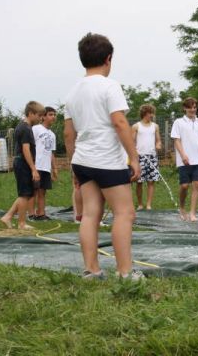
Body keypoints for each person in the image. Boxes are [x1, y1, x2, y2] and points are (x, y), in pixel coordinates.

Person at [64, 32, 142, 280]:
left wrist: (73, 166)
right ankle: (125, 272)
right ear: (108, 58)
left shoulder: (72, 92)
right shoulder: (110, 86)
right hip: (107, 160)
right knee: (124, 213)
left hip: (83, 161)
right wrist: (134, 158)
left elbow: (68, 134)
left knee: (89, 214)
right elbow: (119, 122)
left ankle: (92, 270)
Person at [0, 101, 45, 230]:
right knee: (24, 194)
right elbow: (26, 149)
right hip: (23, 163)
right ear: (31, 113)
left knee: (26, 193)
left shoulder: (24, 127)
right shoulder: (25, 128)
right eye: (39, 115)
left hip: (22, 163)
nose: (41, 118)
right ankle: (21, 223)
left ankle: (8, 216)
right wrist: (33, 169)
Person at [170, 97, 198, 222]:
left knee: (196, 184)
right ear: (185, 108)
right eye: (190, 107)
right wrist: (183, 155)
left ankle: (193, 213)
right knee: (184, 186)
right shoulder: (178, 122)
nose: (193, 109)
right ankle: (182, 208)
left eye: (194, 107)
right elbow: (176, 140)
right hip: (184, 160)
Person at [29, 106, 58, 220]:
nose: (53, 117)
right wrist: (32, 166)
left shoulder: (52, 134)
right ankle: (31, 215)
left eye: (54, 115)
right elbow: (29, 146)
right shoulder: (36, 129)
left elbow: (51, 152)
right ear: (43, 116)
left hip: (46, 167)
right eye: (50, 114)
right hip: (36, 165)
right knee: (34, 191)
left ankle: (41, 214)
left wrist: (54, 168)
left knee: (42, 191)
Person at [132, 104, 162, 210]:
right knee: (139, 182)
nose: (152, 115)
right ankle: (140, 204)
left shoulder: (155, 126)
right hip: (140, 157)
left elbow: (158, 140)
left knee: (151, 181)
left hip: (152, 157)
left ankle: (149, 205)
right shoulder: (136, 126)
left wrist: (158, 145)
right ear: (145, 113)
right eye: (151, 113)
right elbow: (132, 142)